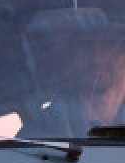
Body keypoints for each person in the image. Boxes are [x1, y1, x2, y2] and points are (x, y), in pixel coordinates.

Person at [22, 7, 125, 138]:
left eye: (109, 45)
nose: (98, 57)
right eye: (86, 46)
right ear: (70, 57)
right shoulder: (43, 124)